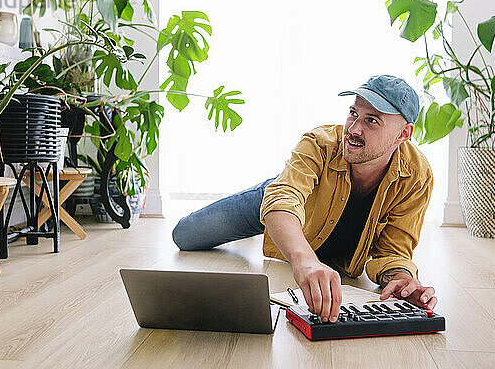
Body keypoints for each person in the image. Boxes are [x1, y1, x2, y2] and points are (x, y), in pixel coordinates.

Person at [172, 75, 436, 324]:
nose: (353, 129)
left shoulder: (416, 176)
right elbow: (283, 199)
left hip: (313, 228)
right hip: (281, 203)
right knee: (186, 235)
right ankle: (272, 221)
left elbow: (394, 250)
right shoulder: (320, 143)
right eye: (353, 113)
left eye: (372, 121)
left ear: (403, 134)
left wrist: (402, 279)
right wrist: (305, 261)